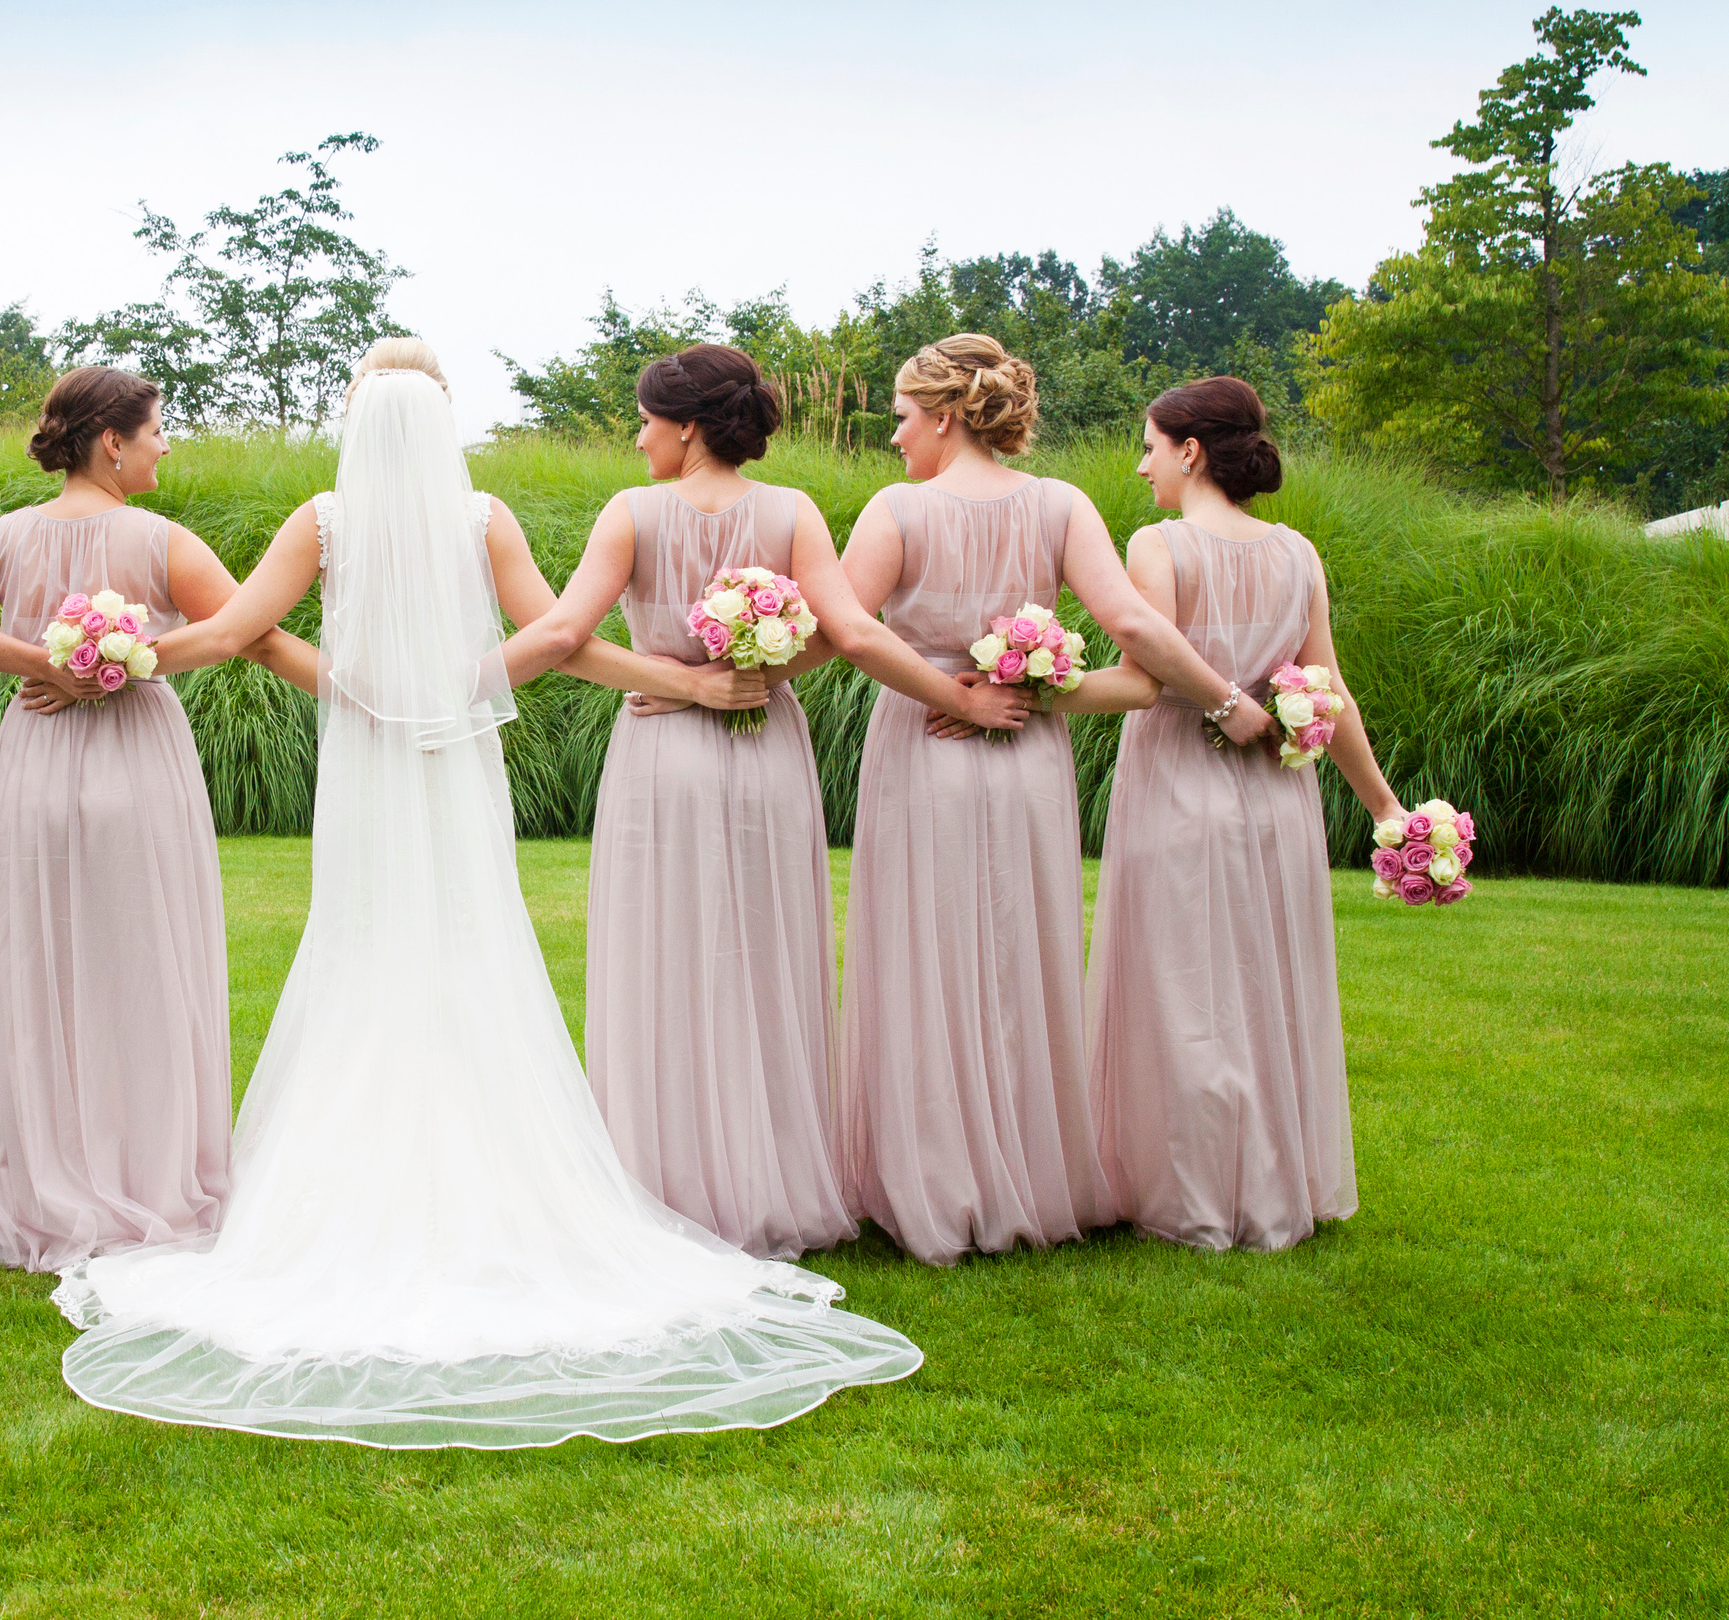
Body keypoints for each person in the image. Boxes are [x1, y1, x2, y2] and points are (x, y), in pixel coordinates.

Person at [47, 340, 924, 1448]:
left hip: (372, 756)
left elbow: (229, 634)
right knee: (470, 941)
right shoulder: (484, 519)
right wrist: (651, 681)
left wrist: (108, 660)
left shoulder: (325, 522)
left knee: (367, 942)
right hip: (454, 756)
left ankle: (352, 1194)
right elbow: (559, 640)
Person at [497, 343, 1026, 1259]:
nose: (638, 439)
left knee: (664, 951)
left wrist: (674, 682)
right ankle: (771, 1179)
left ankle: (660, 1183)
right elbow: (850, 630)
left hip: (663, 756)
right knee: (765, 951)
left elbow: (561, 635)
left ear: (687, 428)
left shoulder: (632, 514)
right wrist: (761, 680)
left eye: (646, 422)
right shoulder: (793, 511)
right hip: (767, 748)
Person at [830, 333, 1273, 1267]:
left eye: (902, 417)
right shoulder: (1060, 504)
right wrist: (1226, 699)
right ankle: (1026, 1177)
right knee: (1018, 952)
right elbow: (1134, 628)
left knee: (923, 950)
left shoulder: (895, 510)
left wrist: (956, 697)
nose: (895, 437)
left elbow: (849, 631)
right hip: (1029, 747)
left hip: (924, 739)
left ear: (944, 416)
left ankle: (934, 1181)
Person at [0, 364, 318, 1273]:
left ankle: (47, 1175)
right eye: (155, 431)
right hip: (138, 762)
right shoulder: (160, 540)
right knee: (148, 959)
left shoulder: (4, 537)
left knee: (43, 959)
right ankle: (148, 1172)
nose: (165, 446)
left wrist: (35, 662)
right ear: (112, 442)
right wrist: (365, 692)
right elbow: (254, 633)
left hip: (35, 758)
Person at [1085, 376, 1403, 1251]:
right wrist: (1383, 804)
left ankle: (1193, 1194)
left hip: (1179, 784)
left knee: (1182, 989)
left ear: (1190, 452)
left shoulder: (1159, 545)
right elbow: (1331, 691)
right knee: (1266, 989)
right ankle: (1268, 1182)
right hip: (1279, 797)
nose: (1142, 466)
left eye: (1150, 447)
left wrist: (1034, 690)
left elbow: (1144, 667)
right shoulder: (1298, 553)